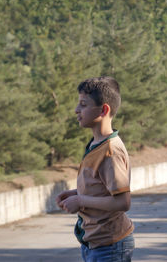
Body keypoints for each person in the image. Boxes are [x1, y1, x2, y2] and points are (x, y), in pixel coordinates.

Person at [56, 76, 135, 262]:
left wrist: (81, 199)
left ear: (104, 109)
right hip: (95, 244)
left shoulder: (110, 151)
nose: (76, 110)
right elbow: (102, 188)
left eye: (83, 105)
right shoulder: (96, 144)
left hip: (110, 246)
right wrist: (75, 194)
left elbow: (123, 202)